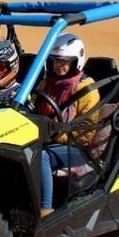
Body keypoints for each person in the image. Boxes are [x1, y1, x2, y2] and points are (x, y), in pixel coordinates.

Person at [32, 33, 100, 217]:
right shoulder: (47, 82)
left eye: (64, 61)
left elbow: (86, 133)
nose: (58, 65)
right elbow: (33, 105)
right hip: (46, 140)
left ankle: (45, 208)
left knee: (41, 157)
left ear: (76, 61)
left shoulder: (87, 90)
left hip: (76, 149)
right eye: (55, 60)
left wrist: (53, 134)